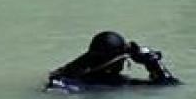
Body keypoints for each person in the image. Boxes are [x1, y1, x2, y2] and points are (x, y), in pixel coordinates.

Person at [45, 31, 180, 92]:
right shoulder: (118, 84)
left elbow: (59, 76)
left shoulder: (67, 78)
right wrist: (153, 63)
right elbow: (170, 86)